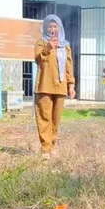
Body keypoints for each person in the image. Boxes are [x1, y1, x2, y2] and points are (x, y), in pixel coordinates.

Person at [34, 14, 75, 159]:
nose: (52, 29)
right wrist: (48, 47)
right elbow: (38, 59)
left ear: (60, 28)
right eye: (49, 26)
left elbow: (69, 66)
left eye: (55, 26)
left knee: (55, 119)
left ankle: (52, 144)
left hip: (61, 86)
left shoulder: (66, 45)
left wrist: (71, 85)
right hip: (44, 86)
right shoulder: (41, 43)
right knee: (44, 117)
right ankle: (46, 148)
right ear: (45, 28)